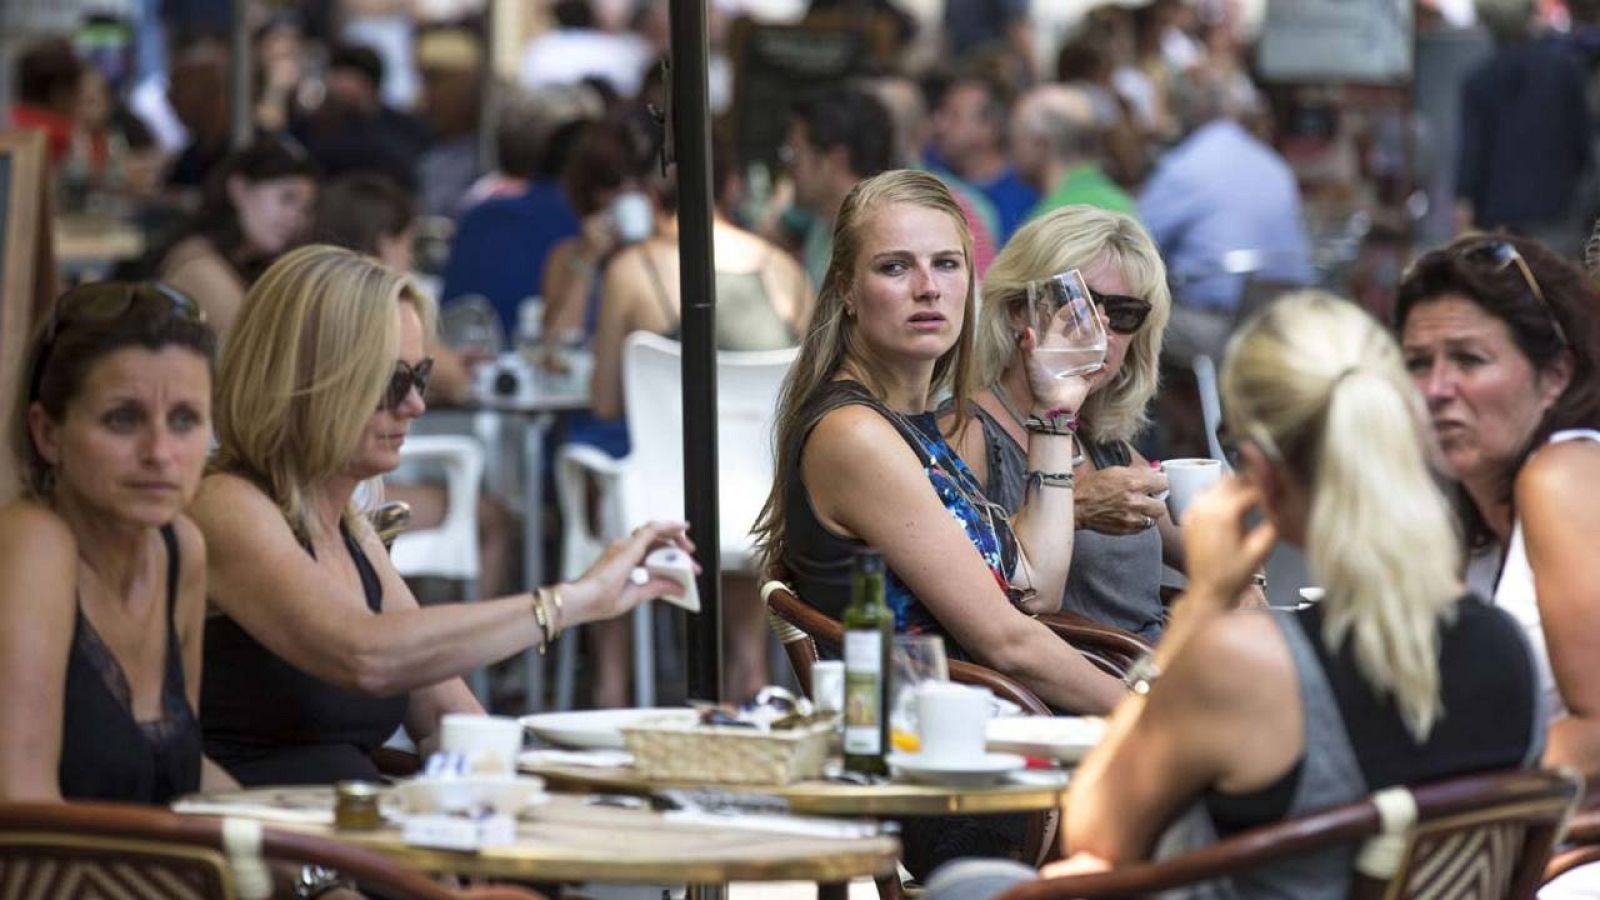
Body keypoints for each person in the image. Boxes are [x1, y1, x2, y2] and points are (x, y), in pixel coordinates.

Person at [928, 291, 1542, 899]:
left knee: (968, 888)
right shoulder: (1507, 648)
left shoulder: (1245, 664)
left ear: (1260, 473)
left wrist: (1201, 611)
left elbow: (1096, 828)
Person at [193, 245, 693, 786]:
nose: (415, 405)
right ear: (309, 382)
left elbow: (445, 718)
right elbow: (366, 655)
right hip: (272, 854)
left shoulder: (350, 527)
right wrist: (572, 601)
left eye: (421, 376)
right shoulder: (227, 504)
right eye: (391, 383)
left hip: (367, 842)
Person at [753, 169, 1124, 713]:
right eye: (895, 267)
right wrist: (1153, 717)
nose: (928, 287)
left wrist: (1051, 412)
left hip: (976, 719)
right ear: (847, 293)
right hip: (926, 745)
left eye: (946, 264)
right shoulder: (854, 433)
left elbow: (1036, 588)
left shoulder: (911, 419)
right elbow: (1010, 644)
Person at [0, 282, 226, 802]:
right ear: (47, 433)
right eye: (123, 419)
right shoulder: (33, 545)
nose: (160, 452)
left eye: (185, 420)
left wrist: (318, 869)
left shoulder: (180, 549)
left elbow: (183, 782)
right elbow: (23, 814)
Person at [1395, 235, 1600, 782]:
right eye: (1417, 362)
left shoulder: (1559, 475)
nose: (1437, 389)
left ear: (1555, 375)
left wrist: (1443, 807)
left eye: (1469, 359)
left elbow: (1597, 730)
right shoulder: (1473, 507)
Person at [943, 206, 1174, 640]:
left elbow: (1205, 538)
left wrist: (1245, 584)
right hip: (1074, 692)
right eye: (1077, 304)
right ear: (1017, 310)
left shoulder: (1103, 442)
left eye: (1123, 313)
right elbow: (952, 576)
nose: (1101, 328)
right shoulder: (968, 430)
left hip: (1159, 673)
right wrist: (1076, 507)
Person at [153, 137, 318, 341]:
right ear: (239, 189)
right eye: (287, 198)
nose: (296, 217)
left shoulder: (247, 263)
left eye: (305, 208)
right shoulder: (199, 266)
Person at [1009, 85, 1136, 221]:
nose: (1013, 150)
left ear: (1040, 143)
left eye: (1018, 138)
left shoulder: (1048, 222)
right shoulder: (1121, 203)